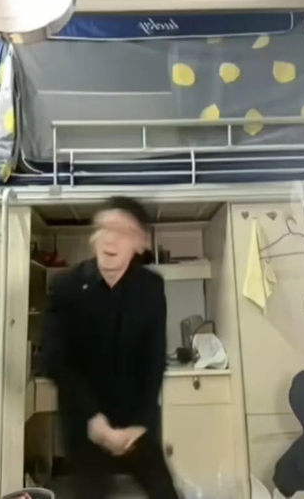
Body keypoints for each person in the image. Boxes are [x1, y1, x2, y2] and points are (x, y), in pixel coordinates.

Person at [41, 197, 179, 499]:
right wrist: (93, 419)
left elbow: (154, 359)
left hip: (136, 422)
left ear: (140, 243)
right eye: (104, 228)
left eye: (122, 231)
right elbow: (54, 360)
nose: (110, 238)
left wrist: (139, 424)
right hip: (85, 422)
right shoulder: (66, 287)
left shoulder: (151, 287)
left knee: (165, 493)